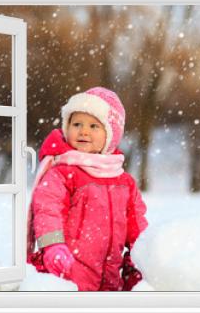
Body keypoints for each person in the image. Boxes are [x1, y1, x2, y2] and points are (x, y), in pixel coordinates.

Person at [27, 87, 148, 291]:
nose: (83, 131)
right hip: (69, 271)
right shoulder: (63, 173)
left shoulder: (124, 182)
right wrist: (53, 246)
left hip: (111, 276)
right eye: (76, 124)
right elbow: (48, 210)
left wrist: (141, 255)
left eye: (94, 126)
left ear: (111, 136)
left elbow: (137, 225)